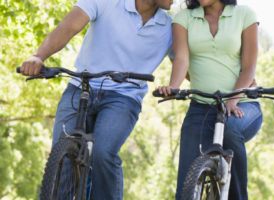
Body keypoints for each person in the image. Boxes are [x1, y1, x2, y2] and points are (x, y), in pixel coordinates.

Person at [20, 0, 173, 199]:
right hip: (81, 86)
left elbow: (185, 61)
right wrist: (38, 57)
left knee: (103, 153)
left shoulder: (170, 27)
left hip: (123, 97)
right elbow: (68, 27)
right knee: (62, 158)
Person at [157, 0, 262, 199]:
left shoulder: (245, 15)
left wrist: (233, 99)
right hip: (201, 106)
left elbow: (249, 68)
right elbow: (181, 59)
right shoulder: (184, 18)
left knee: (231, 129)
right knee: (187, 180)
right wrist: (174, 87)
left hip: (243, 104)